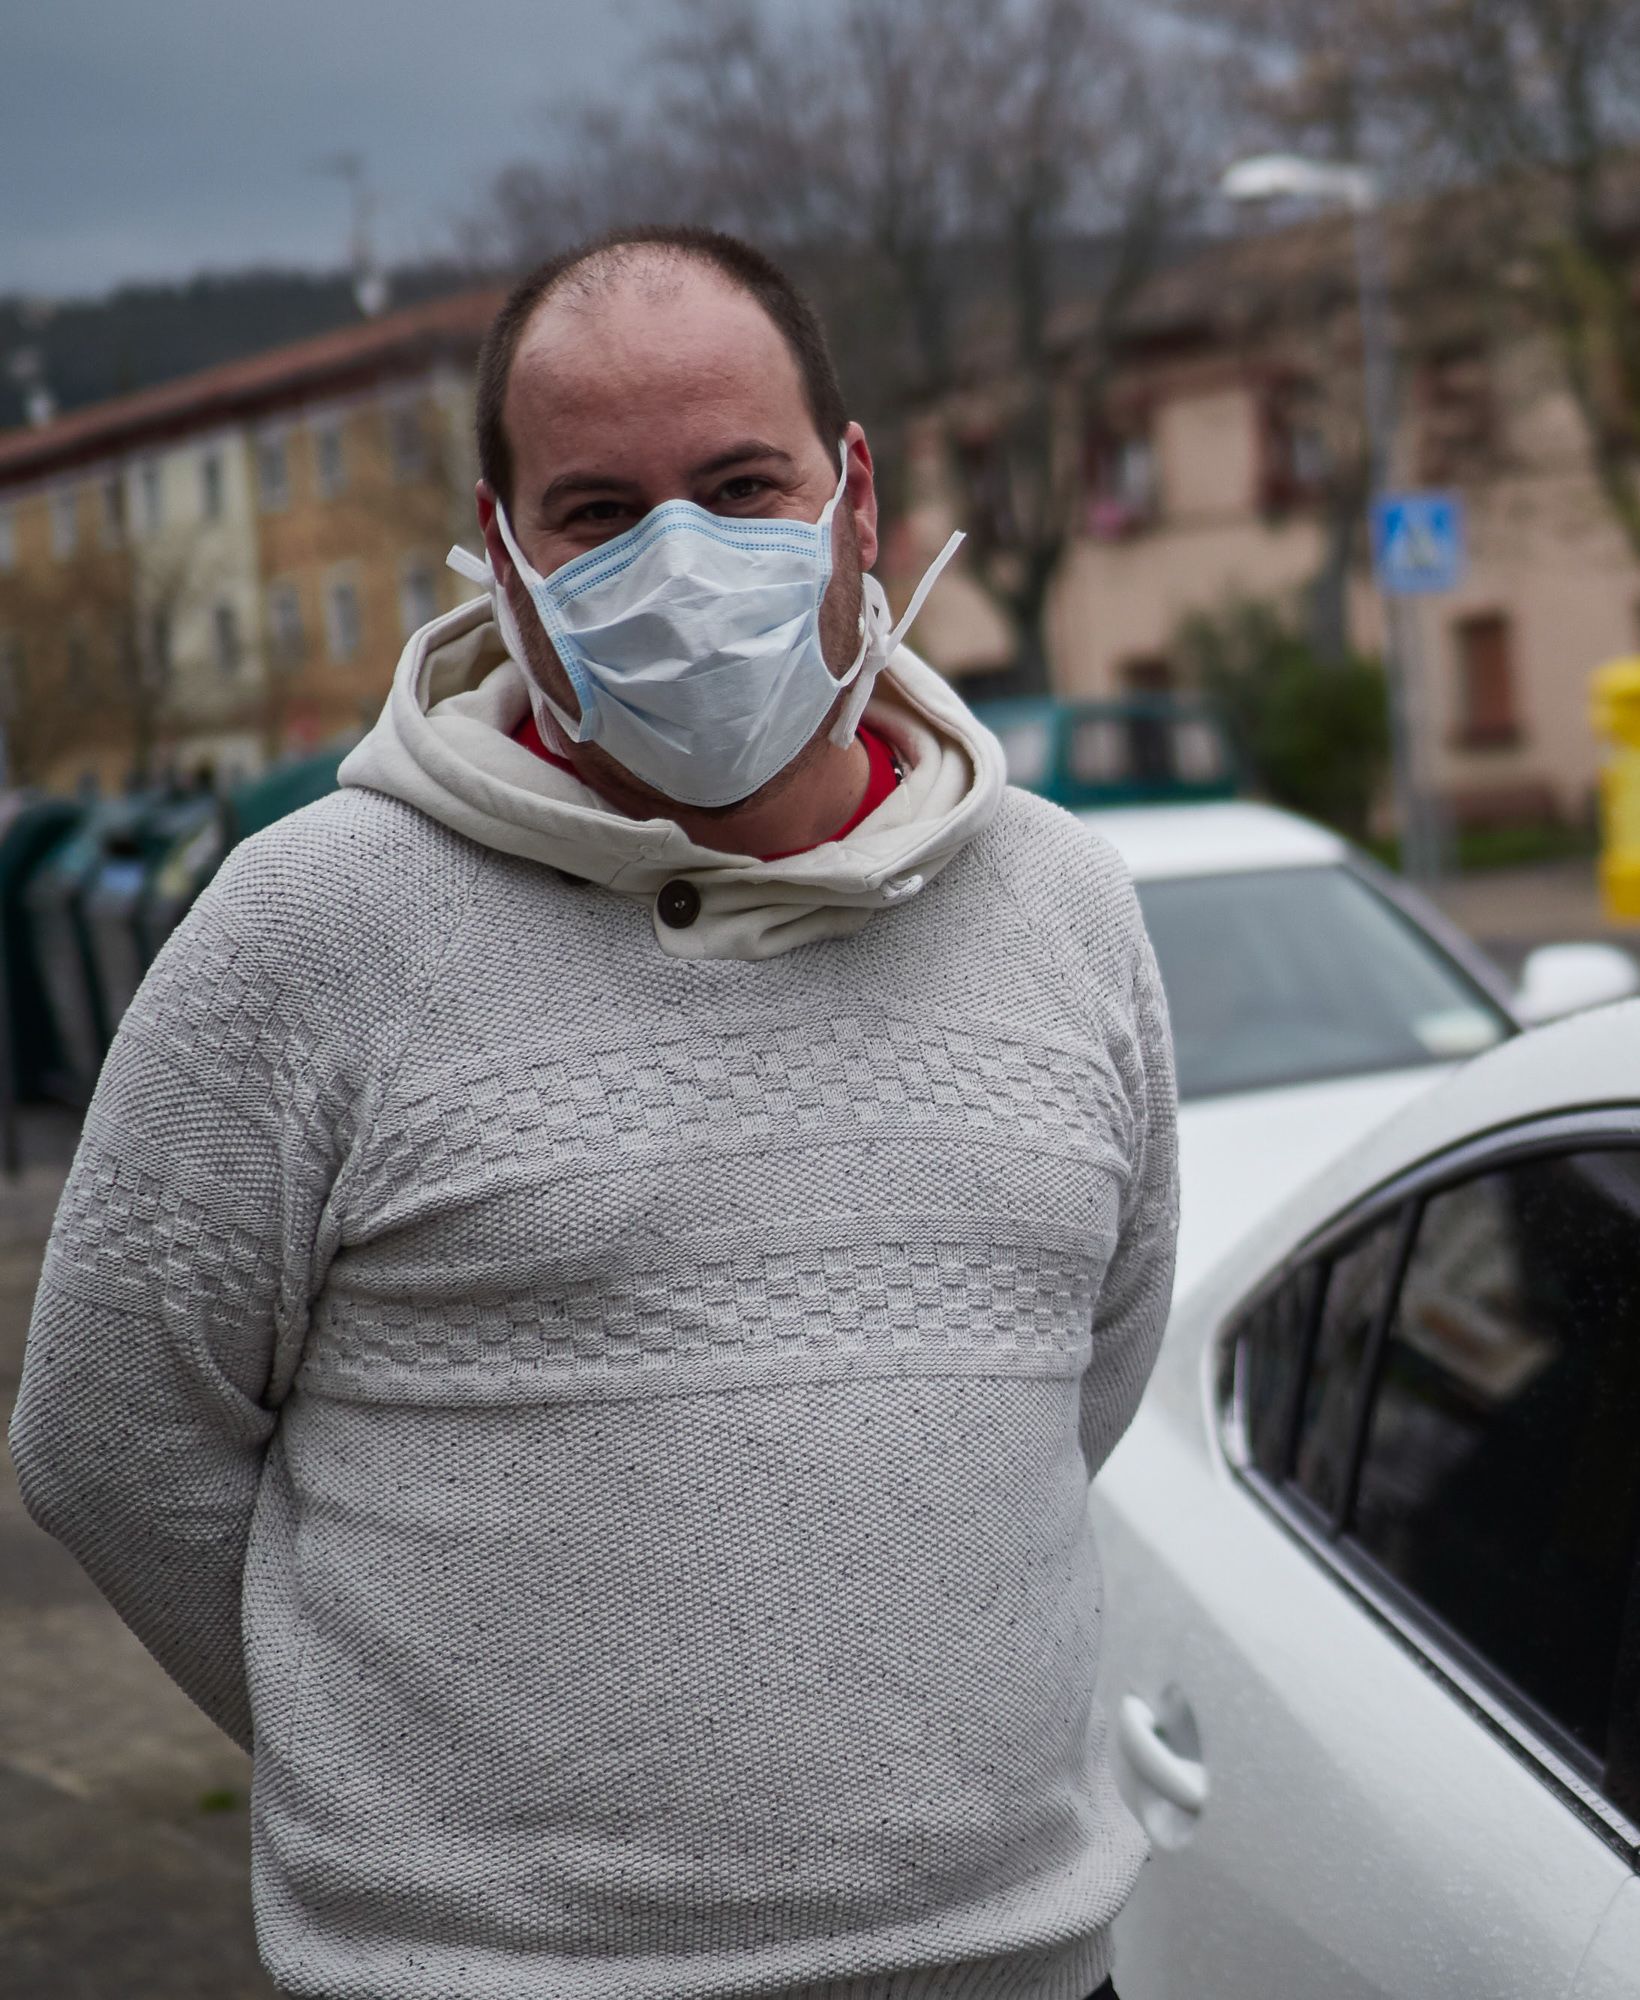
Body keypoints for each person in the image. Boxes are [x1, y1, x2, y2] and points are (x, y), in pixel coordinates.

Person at [10, 226, 1177, 2000]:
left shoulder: (1065, 905)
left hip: (1026, 1970)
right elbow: (110, 1438)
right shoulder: (314, 926)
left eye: (742, 487)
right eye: (600, 514)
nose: (680, 563)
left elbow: (1076, 1379)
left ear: (857, 499)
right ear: (504, 556)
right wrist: (395, 1784)